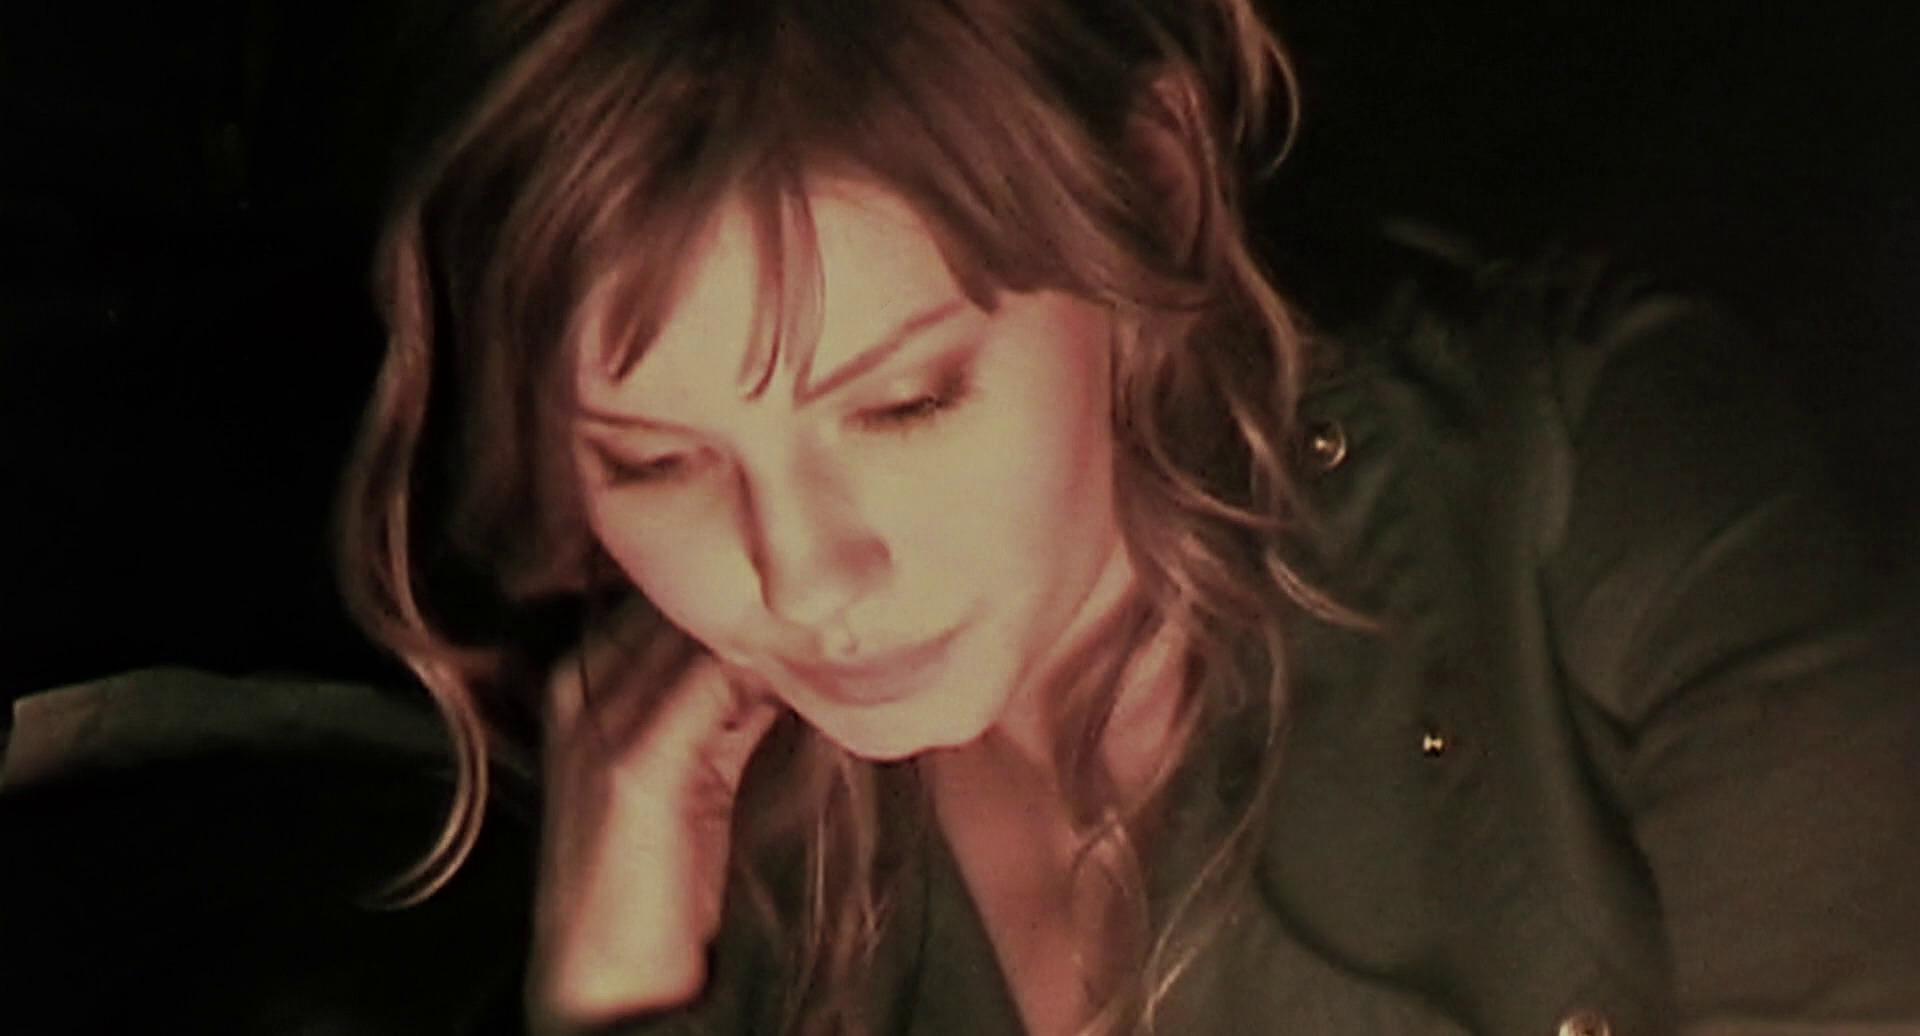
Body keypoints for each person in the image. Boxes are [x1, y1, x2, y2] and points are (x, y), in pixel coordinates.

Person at [4, 0, 1916, 1034]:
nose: (801, 583)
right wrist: (608, 979)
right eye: (655, 461)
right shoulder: (727, 818)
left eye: (904, 402)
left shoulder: (1584, 485)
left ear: (1152, 192)